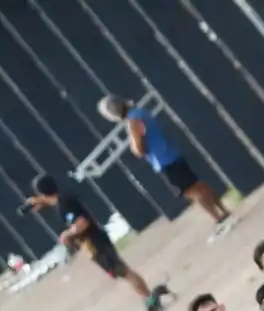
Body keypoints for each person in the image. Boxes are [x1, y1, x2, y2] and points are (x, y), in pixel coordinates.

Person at [27, 174, 170, 311]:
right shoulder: (63, 200)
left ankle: (150, 301)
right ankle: (148, 299)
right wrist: (41, 201)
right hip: (95, 243)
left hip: (96, 243)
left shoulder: (64, 205)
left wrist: (67, 234)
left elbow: (81, 223)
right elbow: (55, 201)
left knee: (124, 272)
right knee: (122, 272)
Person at [99, 96, 232, 235]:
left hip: (163, 160)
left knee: (191, 191)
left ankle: (218, 219)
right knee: (198, 184)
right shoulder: (140, 112)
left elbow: (139, 149)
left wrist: (133, 145)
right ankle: (223, 211)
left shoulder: (133, 122)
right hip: (171, 151)